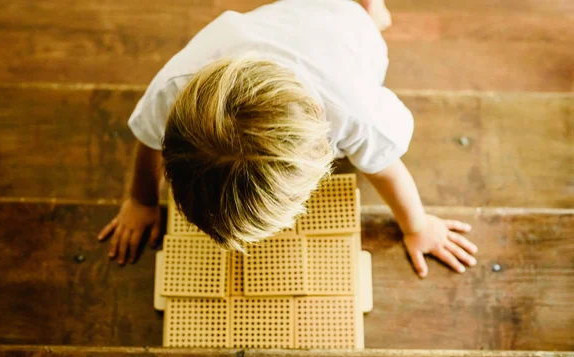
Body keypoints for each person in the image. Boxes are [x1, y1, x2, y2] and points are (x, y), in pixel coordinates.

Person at [98, 0, 478, 278]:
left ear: (322, 151)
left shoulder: (357, 114)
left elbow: (386, 169)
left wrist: (418, 226)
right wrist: (140, 200)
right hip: (285, 20)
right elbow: (148, 136)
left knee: (367, 18)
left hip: (350, 32)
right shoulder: (175, 86)